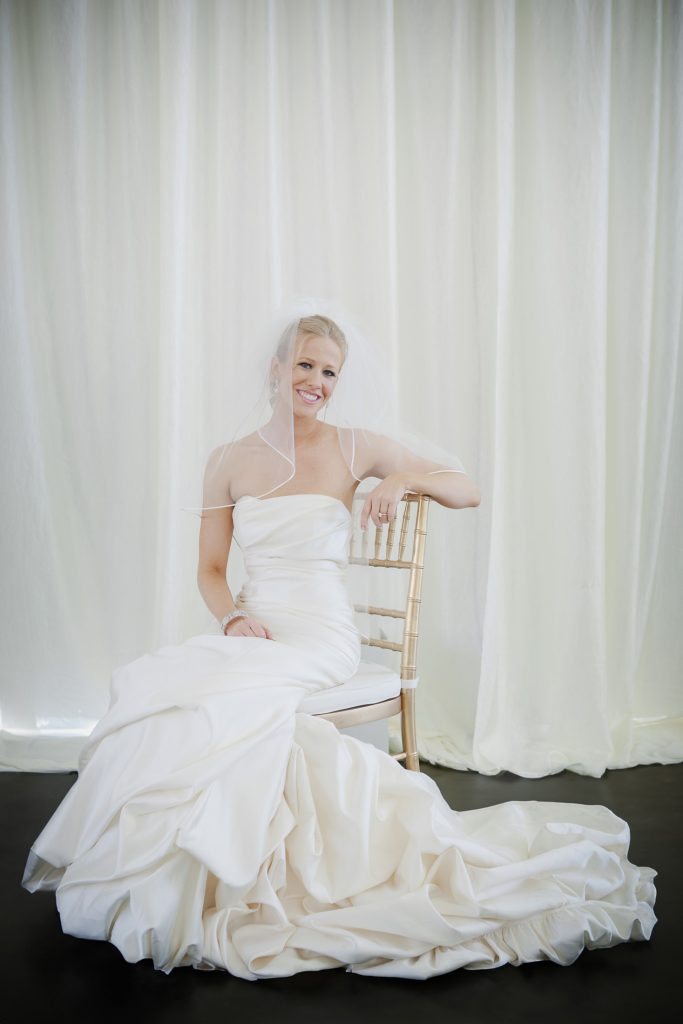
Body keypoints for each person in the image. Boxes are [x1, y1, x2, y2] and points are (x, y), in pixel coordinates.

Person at [21, 309, 657, 980]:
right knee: (169, 691)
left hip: (321, 636)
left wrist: (400, 479)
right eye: (304, 365)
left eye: (328, 372)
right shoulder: (227, 461)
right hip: (257, 629)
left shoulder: (354, 446)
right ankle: (200, 870)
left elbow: (465, 491)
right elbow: (210, 572)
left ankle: (255, 865)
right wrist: (233, 620)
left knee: (226, 702)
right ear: (275, 367)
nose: (315, 382)